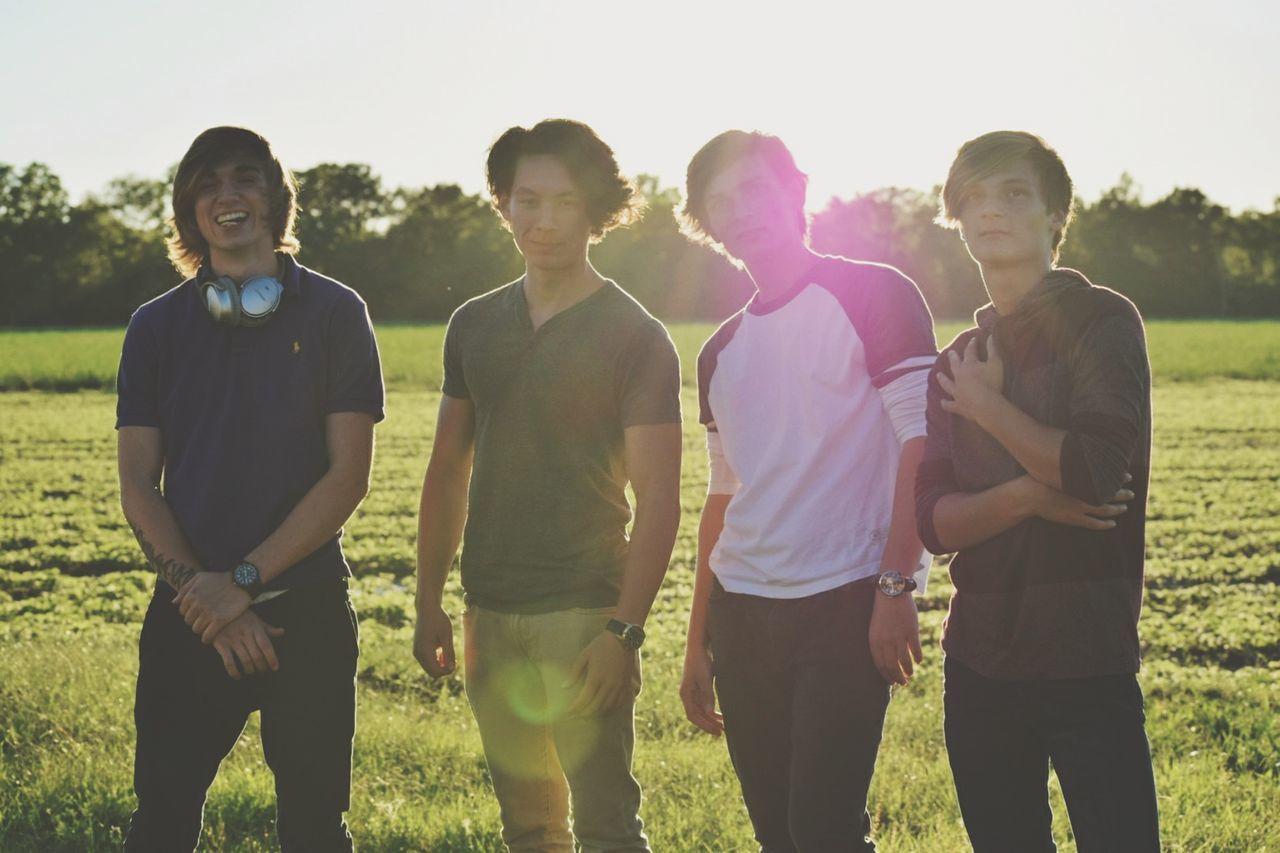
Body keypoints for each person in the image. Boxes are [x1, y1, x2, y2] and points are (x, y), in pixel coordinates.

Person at [412, 118, 682, 853]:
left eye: (565, 201)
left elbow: (659, 497)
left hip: (585, 611)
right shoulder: (473, 325)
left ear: (597, 209)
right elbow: (447, 471)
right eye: (526, 200)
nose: (544, 220)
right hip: (489, 611)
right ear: (503, 204)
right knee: (527, 827)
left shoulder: (636, 334)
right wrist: (429, 599)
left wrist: (623, 631)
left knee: (604, 825)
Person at [115, 126, 384, 852]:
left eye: (244, 178)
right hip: (189, 612)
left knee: (315, 829)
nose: (227, 196)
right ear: (187, 211)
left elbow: (347, 476)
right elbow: (138, 483)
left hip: (310, 612)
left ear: (274, 197)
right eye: (207, 183)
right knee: (161, 822)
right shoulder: (153, 327)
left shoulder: (336, 313)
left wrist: (243, 581)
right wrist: (208, 600)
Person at [677, 130, 937, 852]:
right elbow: (722, 500)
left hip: (845, 602)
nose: (739, 211)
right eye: (719, 201)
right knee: (777, 836)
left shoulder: (874, 293)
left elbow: (925, 443)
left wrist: (896, 585)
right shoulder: (718, 351)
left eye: (754, 189)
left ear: (795, 191)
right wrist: (698, 639)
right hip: (742, 612)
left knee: (824, 831)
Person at [916, 130, 1160, 851]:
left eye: (1014, 193)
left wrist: (990, 410)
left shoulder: (1103, 319)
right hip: (980, 662)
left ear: (1057, 216)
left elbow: (1092, 471)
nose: (991, 210)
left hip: (1087, 651)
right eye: (975, 198)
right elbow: (932, 522)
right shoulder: (955, 359)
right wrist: (1029, 494)